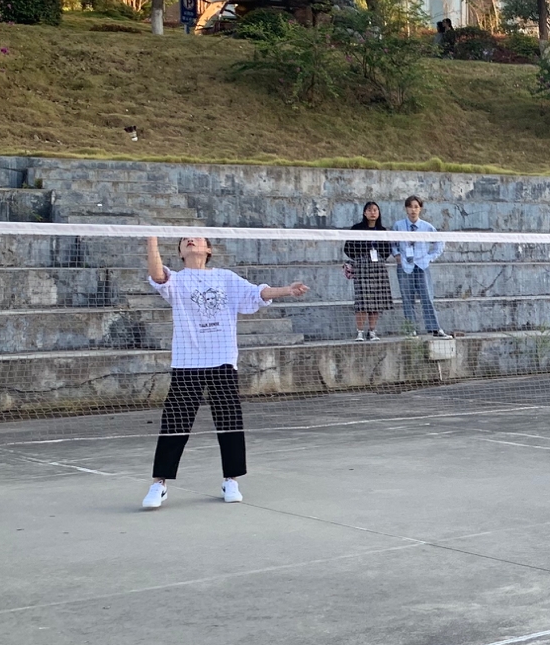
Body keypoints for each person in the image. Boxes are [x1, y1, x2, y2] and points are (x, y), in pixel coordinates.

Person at [141, 236, 307, 510]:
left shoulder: (226, 278)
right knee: (174, 424)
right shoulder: (177, 280)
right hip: (187, 362)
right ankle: (159, 483)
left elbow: (256, 294)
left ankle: (231, 480)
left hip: (222, 361)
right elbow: (158, 275)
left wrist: (287, 290)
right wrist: (152, 241)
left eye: (197, 238)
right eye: (184, 240)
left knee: (229, 422)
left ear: (208, 249)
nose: (191, 240)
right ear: (180, 252)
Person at [393, 195, 450, 338]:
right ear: (406, 209)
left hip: (422, 265)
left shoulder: (427, 227)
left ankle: (434, 328)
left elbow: (439, 243)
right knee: (407, 298)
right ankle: (411, 329)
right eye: (410, 207)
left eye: (416, 207)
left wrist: (430, 257)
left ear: (420, 209)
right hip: (405, 265)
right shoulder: (398, 225)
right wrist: (397, 255)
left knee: (427, 297)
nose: (413, 210)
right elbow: (392, 243)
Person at [344, 201, 396, 340]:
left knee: (376, 301)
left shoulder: (382, 230)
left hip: (378, 266)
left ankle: (372, 331)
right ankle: (360, 332)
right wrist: (360, 257)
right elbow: (348, 248)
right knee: (362, 301)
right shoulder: (357, 228)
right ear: (364, 213)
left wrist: (380, 257)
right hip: (362, 266)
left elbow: (387, 249)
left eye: (375, 210)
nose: (372, 212)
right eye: (369, 210)